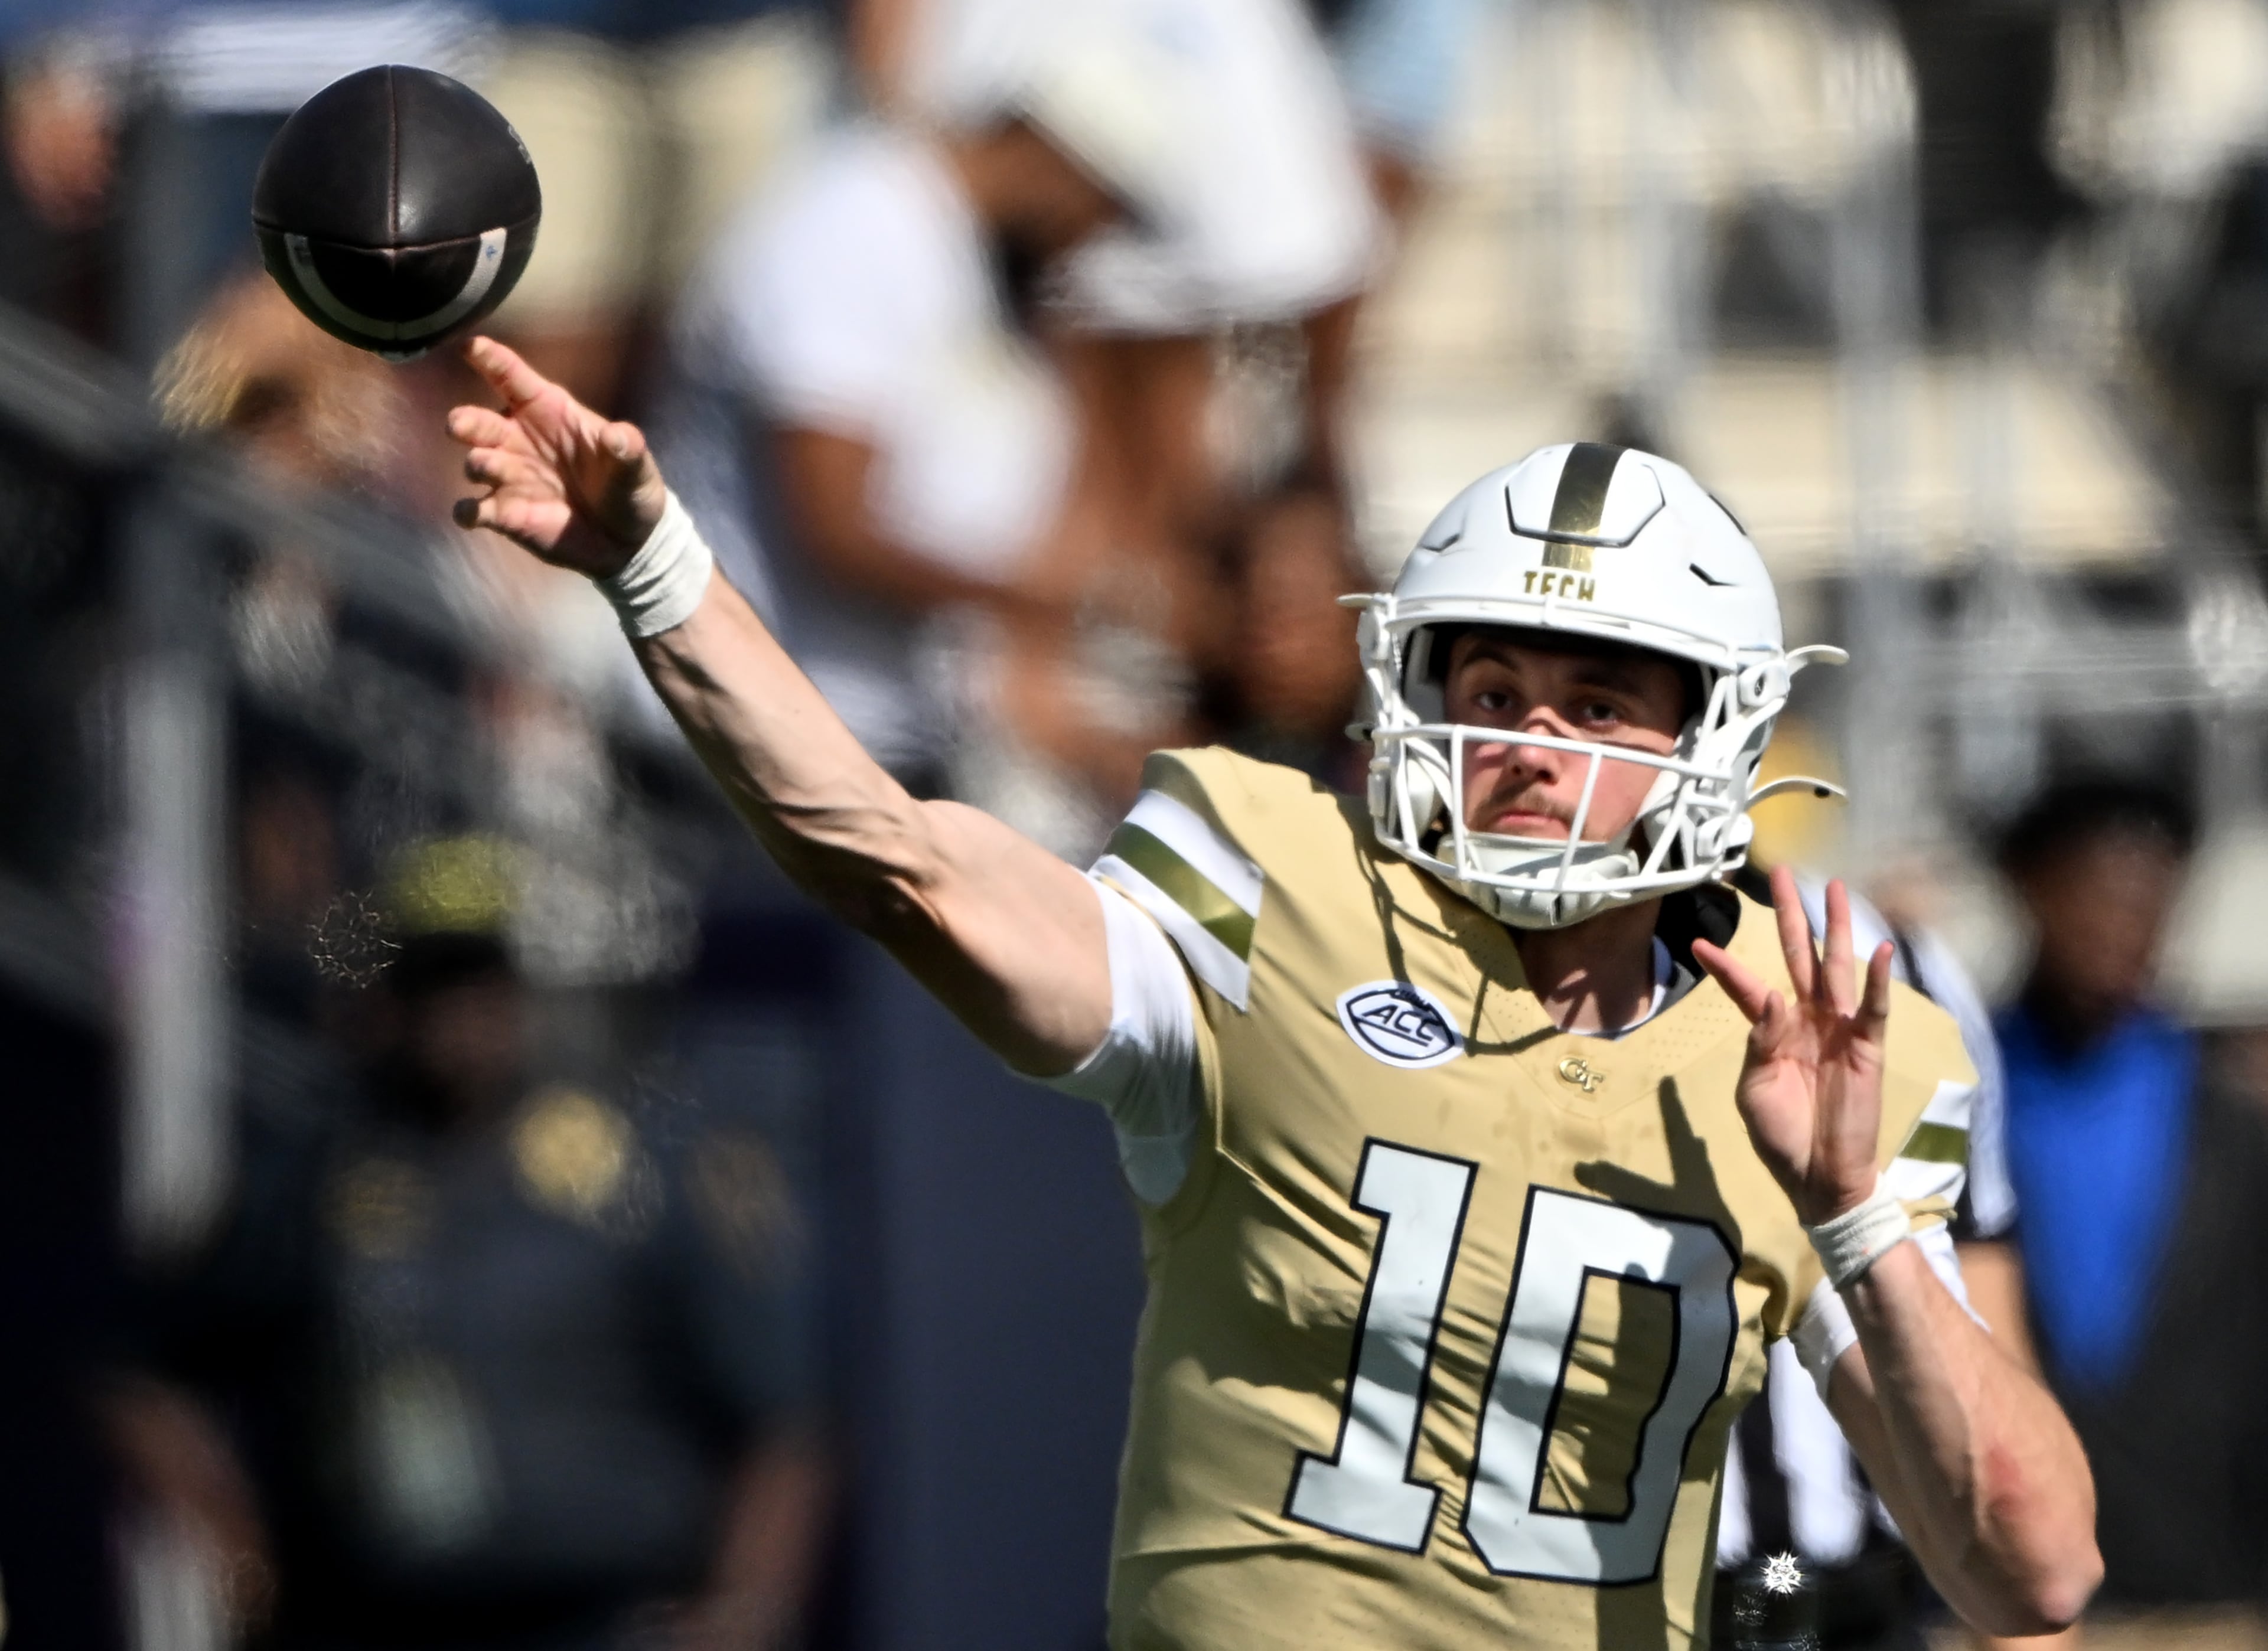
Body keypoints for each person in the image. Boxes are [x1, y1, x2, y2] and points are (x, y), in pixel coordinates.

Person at [444, 348, 2101, 1646]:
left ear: (1713, 741)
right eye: (1495, 685)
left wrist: (1855, 1215)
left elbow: (2032, 1567)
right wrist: (659, 568)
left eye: (1598, 701)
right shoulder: (1279, 875)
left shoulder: (1804, 1041)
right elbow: (908, 862)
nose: (1527, 743)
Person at [116, 866, 830, 1651]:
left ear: (519, 989)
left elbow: (787, 1412)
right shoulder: (321, 1178)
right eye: (433, 986)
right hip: (377, 1619)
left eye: (480, 982)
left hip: (610, 1616)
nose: (461, 1015)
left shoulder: (637, 1171)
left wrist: (745, 1611)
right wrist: (242, 1563)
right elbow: (148, 1369)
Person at [1994, 780, 2268, 1639]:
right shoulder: (1954, 1096)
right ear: (2031, 890)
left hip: (2207, 1588)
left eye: (2150, 894)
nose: (2122, 922)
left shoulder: (2231, 1119)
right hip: (2000, 1593)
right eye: (2096, 890)